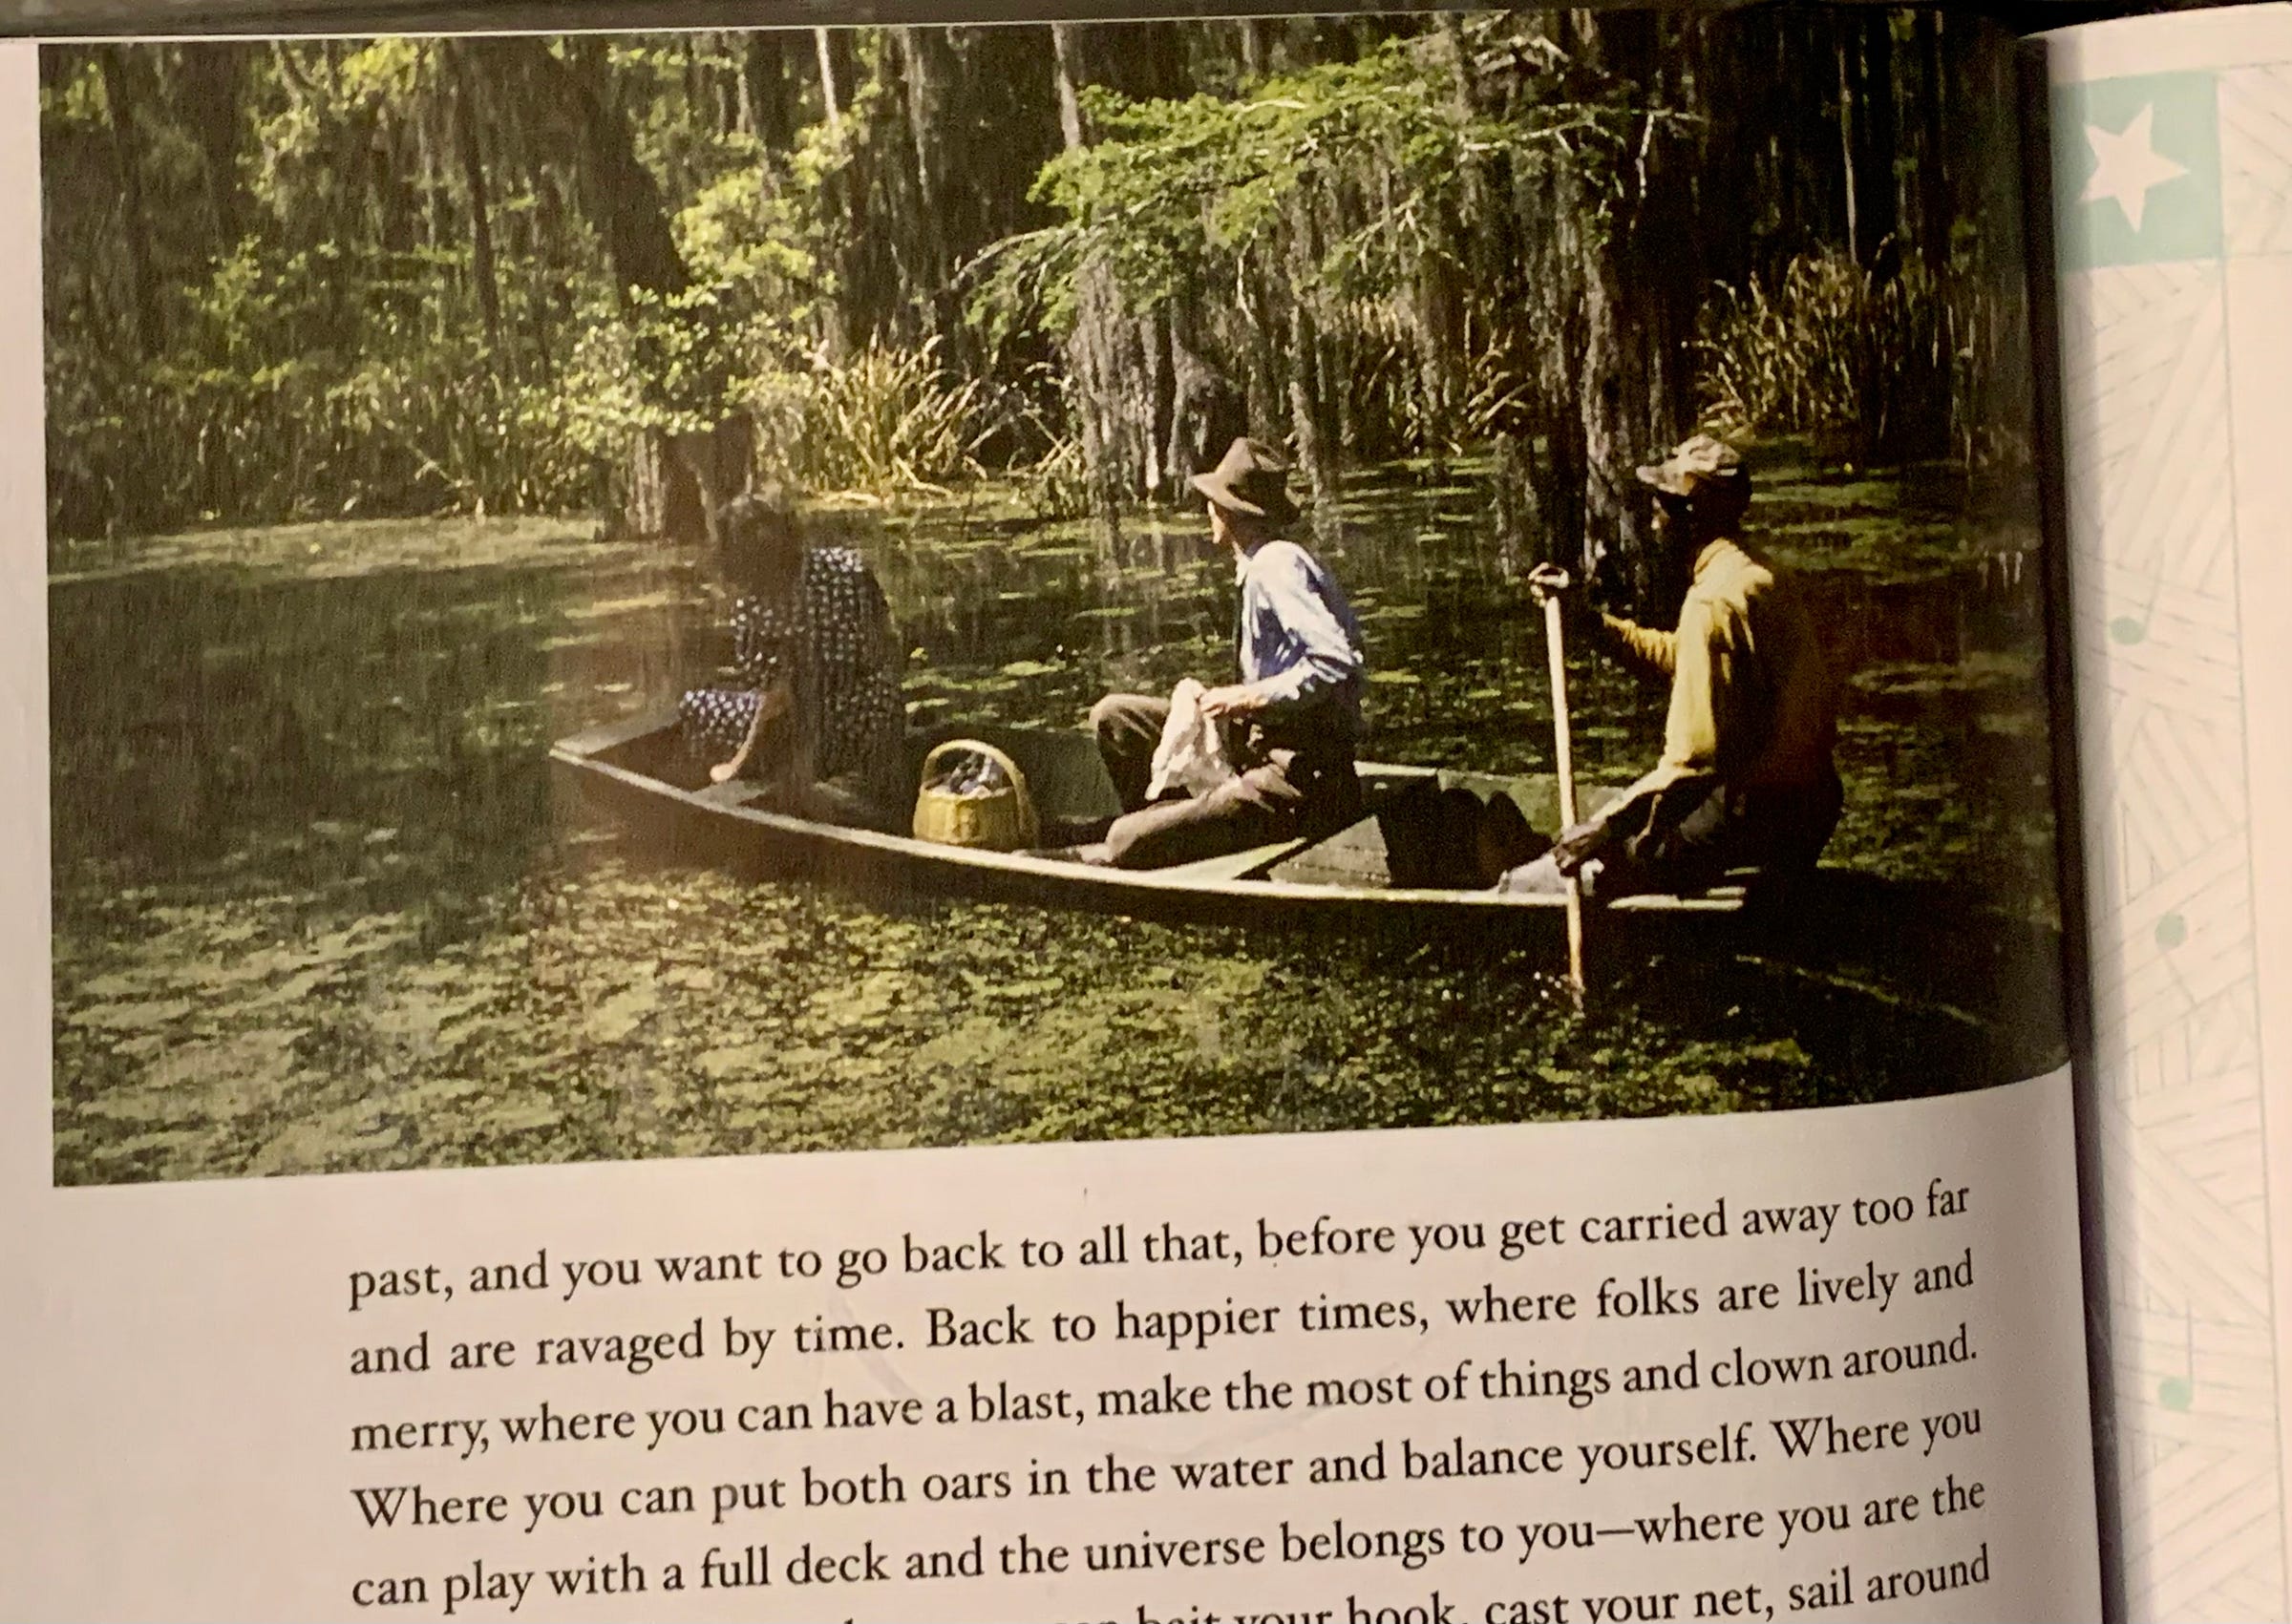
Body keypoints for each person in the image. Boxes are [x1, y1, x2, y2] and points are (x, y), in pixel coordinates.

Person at [1497, 434, 1840, 897]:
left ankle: (1513, 898)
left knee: (1545, 879)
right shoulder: (1760, 574)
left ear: (1691, 515)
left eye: (1661, 505)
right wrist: (1587, 620)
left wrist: (1605, 828)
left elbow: (1691, 765)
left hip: (1753, 819)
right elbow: (1682, 658)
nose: (1653, 520)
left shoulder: (1711, 601)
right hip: (1810, 807)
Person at [1082, 437, 1367, 869]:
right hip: (1262, 743)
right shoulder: (1264, 562)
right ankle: (1177, 822)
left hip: (1300, 780)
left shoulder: (1275, 566)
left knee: (1121, 841)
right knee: (1115, 718)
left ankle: (1162, 834)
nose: (1209, 511)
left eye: (1213, 502)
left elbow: (1334, 662)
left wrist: (1246, 697)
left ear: (1230, 512)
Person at [680, 490, 907, 832]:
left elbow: (775, 702)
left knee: (694, 705)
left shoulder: (757, 606)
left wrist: (737, 764)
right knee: (876, 690)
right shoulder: (851, 566)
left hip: (813, 736)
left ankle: (743, 798)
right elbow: (888, 646)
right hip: (875, 719)